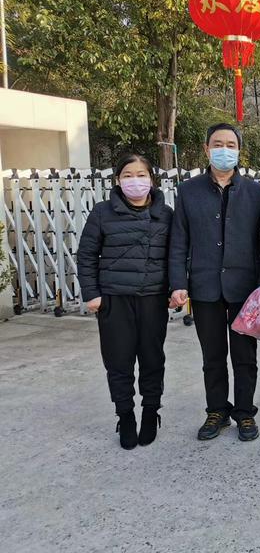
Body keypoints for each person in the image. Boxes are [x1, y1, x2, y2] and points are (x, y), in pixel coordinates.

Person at [169, 123, 260, 442]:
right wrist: (177, 282)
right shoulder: (188, 190)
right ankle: (216, 411)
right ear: (206, 149)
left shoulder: (256, 192)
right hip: (205, 286)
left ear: (239, 150)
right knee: (212, 355)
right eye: (218, 144)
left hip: (244, 288)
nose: (224, 149)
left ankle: (245, 413)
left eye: (231, 144)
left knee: (244, 356)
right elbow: (179, 240)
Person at [77, 154, 173, 450]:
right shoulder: (103, 212)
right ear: (118, 180)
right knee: (118, 362)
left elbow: (176, 255)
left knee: (152, 359)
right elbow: (86, 255)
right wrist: (92, 294)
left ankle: (149, 412)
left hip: (153, 298)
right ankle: (125, 415)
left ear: (152, 180)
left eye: (141, 174)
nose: (135, 181)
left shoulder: (166, 213)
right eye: (128, 175)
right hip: (114, 299)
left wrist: (176, 289)